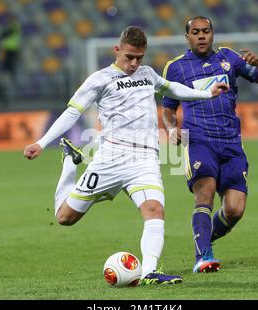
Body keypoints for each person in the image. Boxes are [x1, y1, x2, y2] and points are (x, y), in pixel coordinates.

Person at [23, 26, 229, 284]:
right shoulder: (99, 79)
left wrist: (206, 93)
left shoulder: (148, 74)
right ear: (117, 50)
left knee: (154, 210)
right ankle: (69, 161)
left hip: (145, 159)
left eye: (139, 58)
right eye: (129, 57)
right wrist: (41, 143)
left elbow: (172, 88)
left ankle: (150, 272)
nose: (134, 63)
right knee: (65, 218)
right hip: (111, 158)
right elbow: (72, 112)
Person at [161, 16, 258, 273]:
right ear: (187, 37)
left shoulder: (229, 58)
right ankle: (203, 256)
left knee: (234, 210)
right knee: (205, 192)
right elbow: (168, 110)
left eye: (206, 31)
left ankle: (203, 238)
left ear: (213, 34)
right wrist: (171, 129)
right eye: (195, 32)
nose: (201, 36)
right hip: (199, 140)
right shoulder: (175, 68)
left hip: (231, 142)